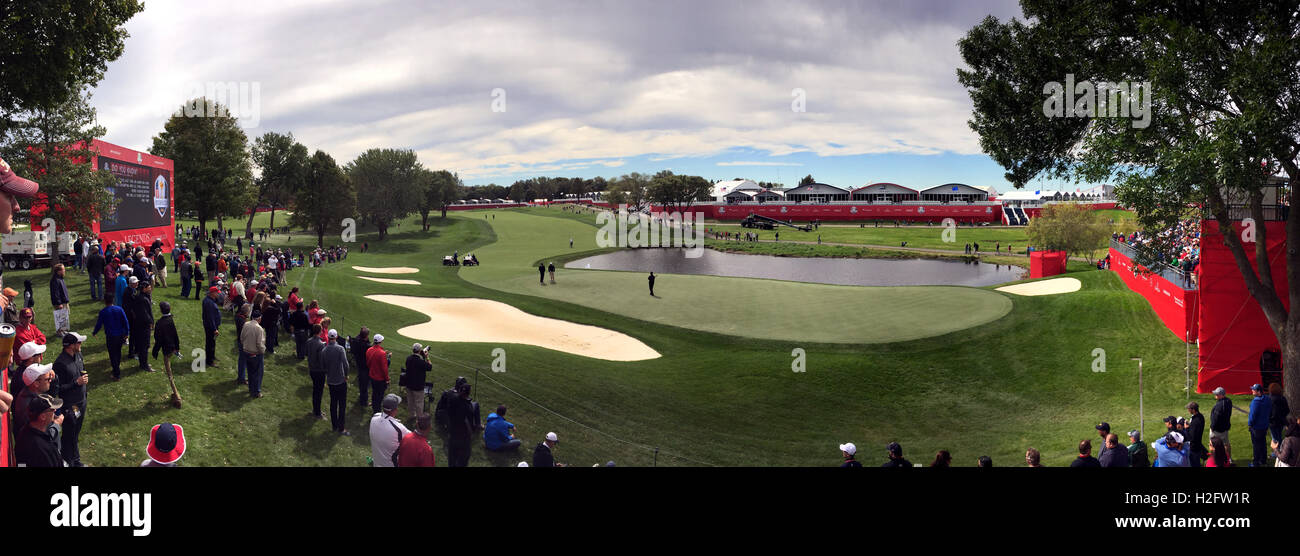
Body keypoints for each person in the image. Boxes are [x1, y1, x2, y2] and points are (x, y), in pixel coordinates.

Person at [52, 332, 88, 466]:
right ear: (71, 345)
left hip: (81, 401)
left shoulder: (78, 355)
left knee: (75, 433)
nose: (81, 344)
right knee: (70, 434)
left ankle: (73, 459)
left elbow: (82, 371)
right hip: (71, 405)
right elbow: (58, 389)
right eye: (79, 342)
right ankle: (71, 461)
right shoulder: (60, 364)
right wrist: (76, 383)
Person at [16, 393, 64, 467]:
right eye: (52, 409)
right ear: (43, 416)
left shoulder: (25, 432)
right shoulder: (42, 448)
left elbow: (21, 464)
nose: (55, 410)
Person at [92, 294, 130, 380]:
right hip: (120, 335)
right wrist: (126, 333)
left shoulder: (103, 312)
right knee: (118, 352)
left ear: (105, 301)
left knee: (112, 354)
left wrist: (95, 332)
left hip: (110, 337)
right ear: (113, 300)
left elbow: (99, 324)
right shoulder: (119, 309)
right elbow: (125, 322)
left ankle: (116, 372)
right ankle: (116, 368)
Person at [152, 302, 183, 408]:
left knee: (169, 371)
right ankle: (175, 392)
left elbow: (158, 339)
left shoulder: (160, 323)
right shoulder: (170, 320)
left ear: (161, 310)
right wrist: (177, 348)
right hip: (172, 347)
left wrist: (155, 351)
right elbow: (175, 335)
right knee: (168, 370)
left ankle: (176, 395)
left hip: (166, 349)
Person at [321, 329, 350, 435]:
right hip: (341, 380)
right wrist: (346, 375)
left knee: (333, 403)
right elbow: (346, 364)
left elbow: (323, 366)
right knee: (342, 405)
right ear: (336, 337)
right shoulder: (340, 348)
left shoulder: (324, 350)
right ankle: (341, 428)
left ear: (328, 337)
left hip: (331, 381)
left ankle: (334, 426)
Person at [369, 394, 408, 467]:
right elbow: (413, 439)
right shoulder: (399, 428)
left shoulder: (374, 417)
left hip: (377, 463)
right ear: (395, 409)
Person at [447, 382, 476, 467]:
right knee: (463, 461)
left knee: (452, 459)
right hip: (463, 438)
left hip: (452, 434)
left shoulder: (453, 399)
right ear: (468, 393)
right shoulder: (468, 407)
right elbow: (470, 424)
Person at [129, 281, 155, 372]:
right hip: (143, 326)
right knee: (144, 345)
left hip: (139, 325)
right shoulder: (142, 299)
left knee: (142, 345)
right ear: (144, 288)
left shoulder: (141, 297)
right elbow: (144, 314)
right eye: (148, 287)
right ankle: (144, 365)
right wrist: (151, 322)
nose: (150, 288)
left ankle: (143, 362)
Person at [241, 310, 267, 398]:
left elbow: (242, 337)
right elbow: (259, 344)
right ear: (259, 319)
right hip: (256, 353)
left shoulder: (246, 324)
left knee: (250, 371)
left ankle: (251, 388)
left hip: (246, 351)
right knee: (258, 373)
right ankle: (256, 391)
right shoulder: (259, 329)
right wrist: (263, 351)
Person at [405, 343, 432, 420]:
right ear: (420, 351)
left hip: (409, 384)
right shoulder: (420, 362)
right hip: (418, 386)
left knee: (410, 401)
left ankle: (411, 415)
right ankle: (420, 419)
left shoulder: (408, 358)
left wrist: (422, 357)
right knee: (419, 403)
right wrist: (427, 357)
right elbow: (430, 367)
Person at [1248, 383, 1271, 466]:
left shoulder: (1255, 402)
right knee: (1263, 443)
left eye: (1253, 390)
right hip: (1264, 425)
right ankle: (1263, 460)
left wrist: (1250, 424)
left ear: (1258, 391)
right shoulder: (1267, 399)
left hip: (1256, 427)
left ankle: (1255, 462)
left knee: (1256, 445)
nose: (1252, 391)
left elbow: (1252, 416)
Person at [306, 324, 326, 418]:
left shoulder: (309, 341)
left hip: (311, 369)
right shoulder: (321, 344)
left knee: (315, 390)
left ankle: (316, 409)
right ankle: (317, 412)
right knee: (319, 392)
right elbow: (321, 360)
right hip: (319, 371)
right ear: (320, 331)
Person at [367, 334, 391, 413]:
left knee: (374, 393)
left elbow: (368, 363)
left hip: (372, 376)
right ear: (380, 342)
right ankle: (377, 411)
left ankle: (374, 407)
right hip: (380, 379)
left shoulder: (369, 350)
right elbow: (384, 368)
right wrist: (387, 379)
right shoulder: (382, 353)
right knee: (379, 395)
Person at [202, 286, 222, 368]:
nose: (218, 294)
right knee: (210, 343)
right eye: (217, 293)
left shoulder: (208, 300)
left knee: (212, 342)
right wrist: (214, 329)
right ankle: (209, 361)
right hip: (211, 327)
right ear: (213, 293)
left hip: (210, 325)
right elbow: (210, 317)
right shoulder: (209, 303)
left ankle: (212, 356)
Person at [1268, 382, 1291, 452]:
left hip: (1273, 422)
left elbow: (1273, 412)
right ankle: (1281, 450)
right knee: (1279, 437)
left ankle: (1277, 453)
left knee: (1275, 438)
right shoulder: (1282, 398)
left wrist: (1270, 418)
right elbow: (1287, 410)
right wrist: (1283, 416)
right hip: (1281, 421)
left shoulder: (1270, 399)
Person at [352, 327, 371, 407]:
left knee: (361, 383)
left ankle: (362, 397)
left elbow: (358, 337)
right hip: (364, 366)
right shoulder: (365, 345)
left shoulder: (357, 340)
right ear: (366, 336)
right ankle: (364, 402)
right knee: (364, 385)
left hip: (359, 364)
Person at [50, 264, 70, 336]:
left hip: (64, 301)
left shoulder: (60, 278)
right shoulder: (55, 280)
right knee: (60, 317)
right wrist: (59, 303)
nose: (64, 271)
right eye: (63, 269)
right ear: (58, 271)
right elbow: (56, 293)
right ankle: (59, 332)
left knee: (64, 317)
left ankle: (63, 331)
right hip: (60, 303)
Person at [1186, 401, 1206, 467]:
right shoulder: (1200, 416)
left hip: (1194, 447)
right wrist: (1190, 425)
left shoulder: (1196, 421)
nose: (1188, 410)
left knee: (1194, 463)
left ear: (1193, 410)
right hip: (1198, 444)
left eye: (1189, 409)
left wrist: (1187, 428)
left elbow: (1191, 437)